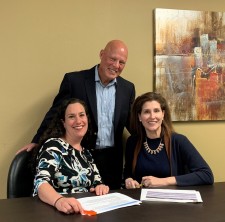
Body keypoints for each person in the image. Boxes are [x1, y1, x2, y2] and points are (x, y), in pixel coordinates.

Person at [18, 40, 135, 189]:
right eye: (113, 59)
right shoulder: (75, 81)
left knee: (111, 206)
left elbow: (133, 124)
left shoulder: (128, 88)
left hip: (113, 161)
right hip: (82, 160)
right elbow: (55, 113)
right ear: (101, 54)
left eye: (122, 62)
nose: (116, 65)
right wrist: (37, 141)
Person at [33, 98, 109, 214]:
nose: (78, 121)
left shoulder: (86, 153)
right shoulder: (54, 146)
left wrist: (101, 187)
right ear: (63, 123)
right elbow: (41, 183)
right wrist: (59, 200)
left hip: (83, 212)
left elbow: (97, 183)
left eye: (81, 115)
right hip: (56, 212)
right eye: (71, 117)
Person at [123, 92, 214, 189]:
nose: (152, 116)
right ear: (139, 117)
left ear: (163, 114)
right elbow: (128, 173)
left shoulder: (178, 141)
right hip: (140, 200)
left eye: (156, 111)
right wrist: (128, 180)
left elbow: (207, 175)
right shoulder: (132, 141)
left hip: (172, 201)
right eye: (146, 112)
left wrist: (163, 181)